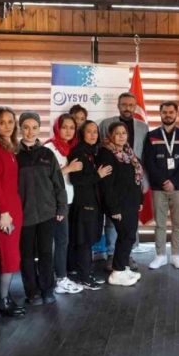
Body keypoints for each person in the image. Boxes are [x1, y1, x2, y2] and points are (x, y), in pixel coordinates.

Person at [17, 112, 68, 304]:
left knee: (46, 252)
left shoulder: (47, 154)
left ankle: (47, 289)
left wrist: (61, 208)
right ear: (20, 129)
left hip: (47, 213)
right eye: (26, 127)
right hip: (24, 214)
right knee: (27, 255)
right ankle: (32, 292)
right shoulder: (14, 155)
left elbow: (58, 184)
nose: (30, 132)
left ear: (39, 129)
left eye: (34, 127)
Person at [0, 107, 26, 318]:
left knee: (11, 254)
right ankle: (3, 300)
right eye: (2, 122)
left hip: (14, 207)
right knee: (7, 255)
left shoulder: (9, 146)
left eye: (10, 121)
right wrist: (3, 212)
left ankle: (4, 296)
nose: (7, 126)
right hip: (4, 211)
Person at [99, 92, 149, 271]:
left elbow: (144, 155)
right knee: (113, 222)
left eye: (131, 105)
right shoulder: (106, 124)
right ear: (118, 105)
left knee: (130, 226)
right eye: (124, 104)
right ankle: (112, 254)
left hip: (133, 183)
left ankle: (127, 255)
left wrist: (142, 187)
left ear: (135, 106)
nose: (128, 108)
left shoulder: (143, 127)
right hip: (116, 184)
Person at [142, 101, 179, 270]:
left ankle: (176, 255)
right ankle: (160, 256)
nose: (168, 115)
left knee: (178, 224)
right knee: (160, 224)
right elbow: (149, 162)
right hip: (158, 187)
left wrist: (173, 182)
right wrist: (163, 181)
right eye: (165, 112)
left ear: (176, 113)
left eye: (171, 112)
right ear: (160, 113)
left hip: (178, 187)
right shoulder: (151, 136)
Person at [99, 122, 144, 286]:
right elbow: (107, 184)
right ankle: (117, 272)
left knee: (129, 236)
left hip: (131, 202)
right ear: (110, 135)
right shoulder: (106, 153)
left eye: (123, 133)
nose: (121, 136)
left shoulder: (128, 153)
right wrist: (113, 208)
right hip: (118, 205)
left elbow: (136, 179)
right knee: (126, 236)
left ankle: (122, 267)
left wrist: (140, 200)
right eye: (117, 133)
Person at [44, 114, 84, 295]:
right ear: (57, 128)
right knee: (60, 240)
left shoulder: (71, 148)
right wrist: (68, 168)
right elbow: (45, 178)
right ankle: (60, 279)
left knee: (65, 240)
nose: (68, 131)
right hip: (55, 202)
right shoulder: (49, 148)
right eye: (64, 127)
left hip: (69, 200)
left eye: (72, 128)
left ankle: (62, 274)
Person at [68, 120, 112, 288]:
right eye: (89, 131)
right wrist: (98, 175)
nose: (93, 135)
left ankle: (86, 272)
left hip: (94, 204)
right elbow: (76, 179)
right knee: (84, 241)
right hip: (84, 204)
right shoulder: (79, 152)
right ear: (82, 134)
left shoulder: (93, 152)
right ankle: (84, 277)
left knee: (89, 239)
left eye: (95, 132)